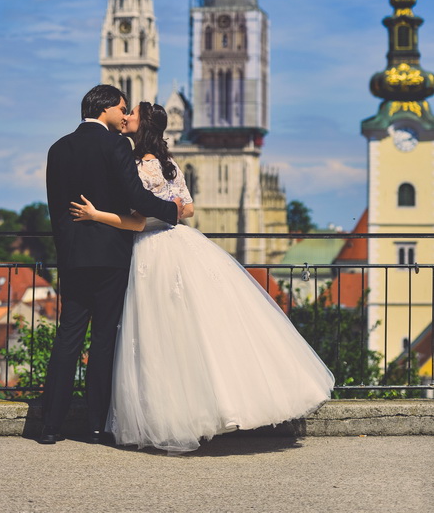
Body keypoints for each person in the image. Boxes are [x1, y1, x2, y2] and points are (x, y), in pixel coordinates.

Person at [70, 101, 335, 453]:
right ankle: (213, 407)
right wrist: (172, 210)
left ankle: (170, 416)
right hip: (181, 243)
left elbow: (137, 222)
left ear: (142, 125)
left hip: (149, 250)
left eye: (132, 113)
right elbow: (190, 208)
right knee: (195, 329)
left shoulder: (135, 166)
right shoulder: (168, 163)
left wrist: (95, 215)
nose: (126, 115)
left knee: (157, 336)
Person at [40, 86, 183, 445]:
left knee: (68, 339)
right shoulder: (115, 145)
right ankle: (94, 426)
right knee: (103, 341)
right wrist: (171, 211)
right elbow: (135, 197)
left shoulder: (58, 148)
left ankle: (50, 426)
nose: (124, 115)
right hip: (110, 257)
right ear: (104, 108)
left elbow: (55, 208)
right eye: (121, 107)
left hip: (73, 257)